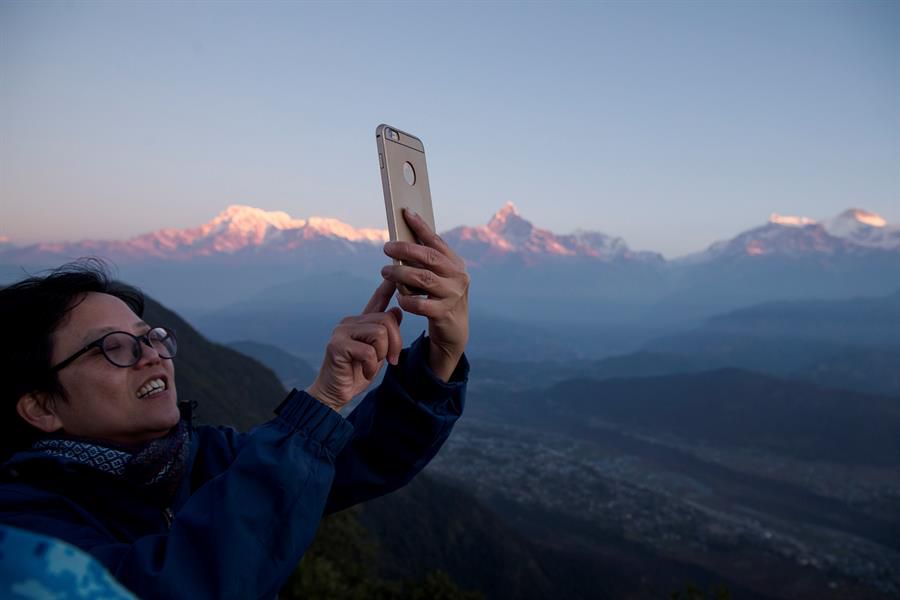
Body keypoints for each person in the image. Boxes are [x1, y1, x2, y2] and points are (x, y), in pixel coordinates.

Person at [0, 208, 471, 599]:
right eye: (113, 347)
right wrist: (321, 401)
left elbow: (352, 460)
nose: (152, 357)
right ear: (40, 406)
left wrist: (438, 360)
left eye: (152, 338)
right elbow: (180, 585)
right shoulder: (26, 534)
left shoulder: (195, 460)